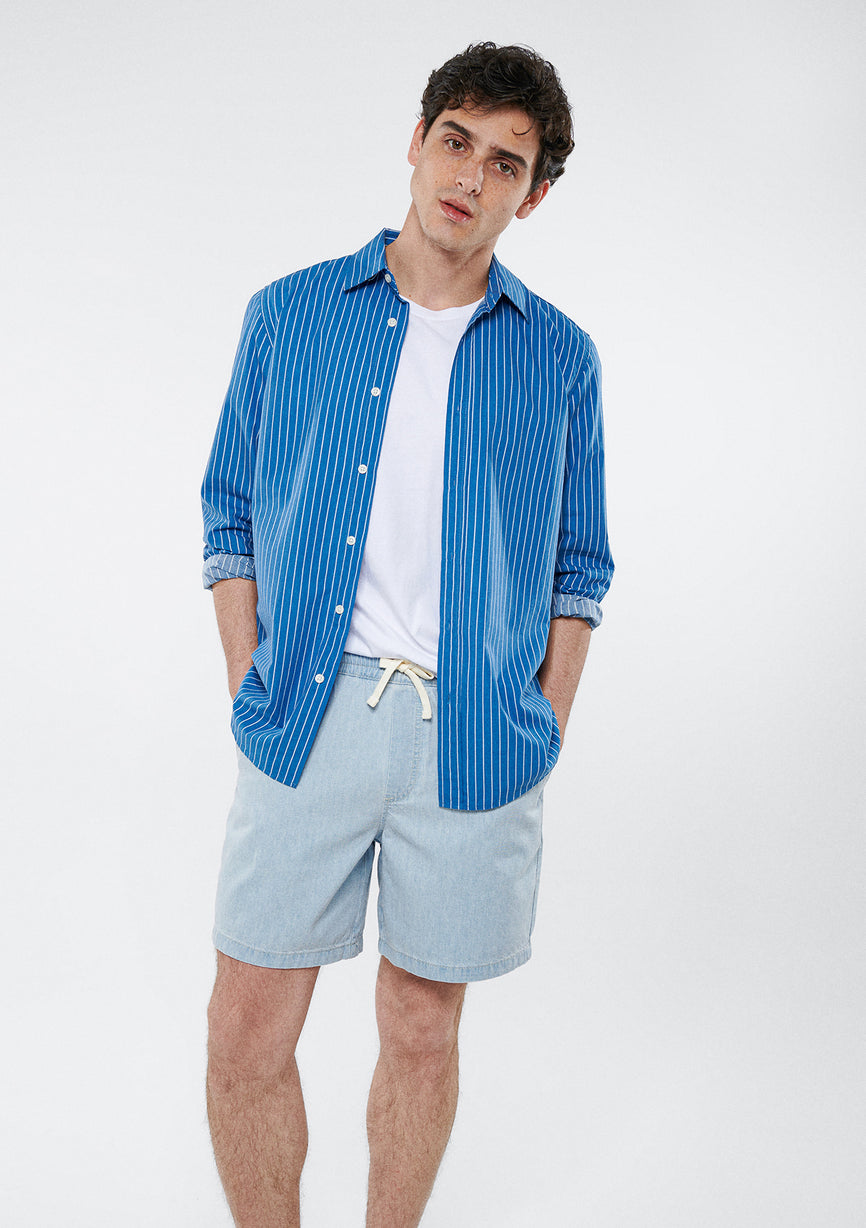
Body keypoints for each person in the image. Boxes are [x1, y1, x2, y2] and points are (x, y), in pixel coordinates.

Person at [201, 40, 613, 1227]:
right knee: (245, 1027)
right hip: (307, 706)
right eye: (454, 141)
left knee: (422, 1028)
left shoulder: (558, 356)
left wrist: (542, 722)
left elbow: (578, 563)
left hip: (475, 730)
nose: (468, 178)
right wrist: (248, 674)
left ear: (533, 195)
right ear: (417, 140)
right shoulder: (290, 315)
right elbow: (228, 508)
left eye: (504, 163)